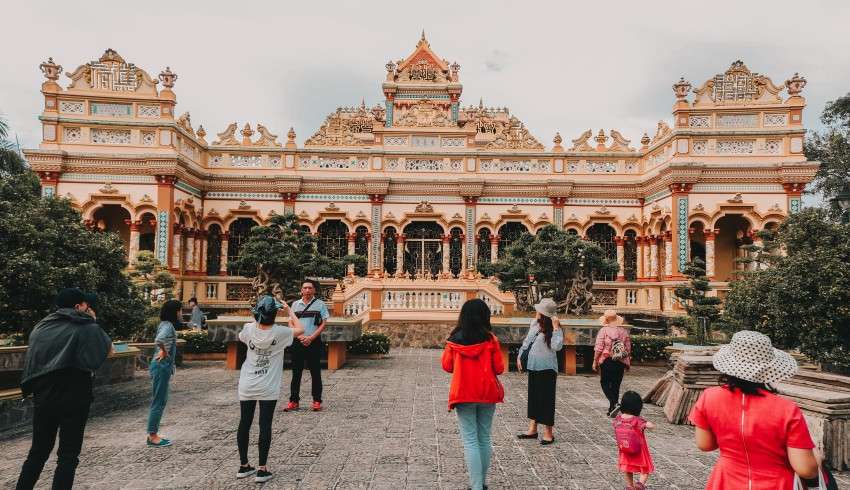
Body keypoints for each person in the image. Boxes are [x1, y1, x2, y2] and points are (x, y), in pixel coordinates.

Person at [689, 330, 820, 490]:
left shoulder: (709, 397)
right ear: (769, 369)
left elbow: (705, 445)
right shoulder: (787, 409)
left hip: (727, 481)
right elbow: (806, 469)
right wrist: (817, 458)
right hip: (776, 483)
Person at [16, 288, 112, 490]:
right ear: (78, 306)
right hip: (75, 395)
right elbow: (107, 351)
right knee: (68, 455)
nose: (89, 308)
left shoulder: (42, 326)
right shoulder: (87, 327)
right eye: (87, 305)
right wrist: (93, 322)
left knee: (38, 451)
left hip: (45, 395)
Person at [237, 295, 304, 483]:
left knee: (245, 422)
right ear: (275, 315)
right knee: (264, 425)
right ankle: (262, 469)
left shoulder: (248, 329)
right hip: (268, 385)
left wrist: (257, 314)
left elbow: (246, 332)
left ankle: (243, 466)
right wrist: (289, 310)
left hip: (247, 383)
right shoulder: (280, 332)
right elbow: (301, 329)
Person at [441, 298, 505, 490]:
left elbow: (446, 366)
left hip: (464, 393)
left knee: (470, 439)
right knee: (484, 437)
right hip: (486, 393)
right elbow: (500, 368)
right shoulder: (491, 340)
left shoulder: (455, 340)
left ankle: (476, 486)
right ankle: (482, 483)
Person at [516, 298, 563, 445]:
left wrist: (555, 328)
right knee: (534, 397)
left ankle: (548, 432)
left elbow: (557, 347)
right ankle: (533, 428)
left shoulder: (555, 328)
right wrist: (520, 356)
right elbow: (527, 341)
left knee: (547, 400)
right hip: (533, 365)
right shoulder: (535, 324)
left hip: (548, 368)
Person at [283, 279, 330, 412]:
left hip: (313, 342)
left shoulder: (320, 305)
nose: (307, 290)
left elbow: (323, 323)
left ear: (314, 290)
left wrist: (311, 337)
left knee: (315, 372)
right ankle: (293, 400)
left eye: (310, 288)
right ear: (301, 290)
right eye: (305, 288)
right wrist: (299, 336)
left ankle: (316, 400)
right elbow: (290, 323)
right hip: (298, 342)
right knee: (296, 373)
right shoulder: (295, 305)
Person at [146, 299, 181, 447]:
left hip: (160, 366)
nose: (181, 313)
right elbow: (159, 340)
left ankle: (153, 433)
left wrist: (163, 350)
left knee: (160, 400)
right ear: (174, 312)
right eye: (179, 310)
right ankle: (152, 436)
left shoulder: (164, 324)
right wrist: (164, 351)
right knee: (159, 401)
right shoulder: (168, 326)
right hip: (161, 366)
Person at [613, 391, 655, 490]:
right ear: (637, 407)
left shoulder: (618, 418)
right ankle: (640, 484)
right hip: (639, 450)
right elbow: (650, 426)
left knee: (627, 468)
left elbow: (614, 425)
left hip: (625, 449)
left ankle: (630, 486)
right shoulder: (637, 420)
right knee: (645, 468)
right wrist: (648, 424)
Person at [593, 309, 632, 417]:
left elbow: (599, 348)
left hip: (607, 360)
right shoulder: (624, 331)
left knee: (604, 382)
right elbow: (628, 349)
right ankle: (612, 408)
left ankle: (614, 403)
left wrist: (595, 361)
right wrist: (628, 363)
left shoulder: (603, 331)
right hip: (620, 361)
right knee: (616, 385)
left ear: (606, 320)